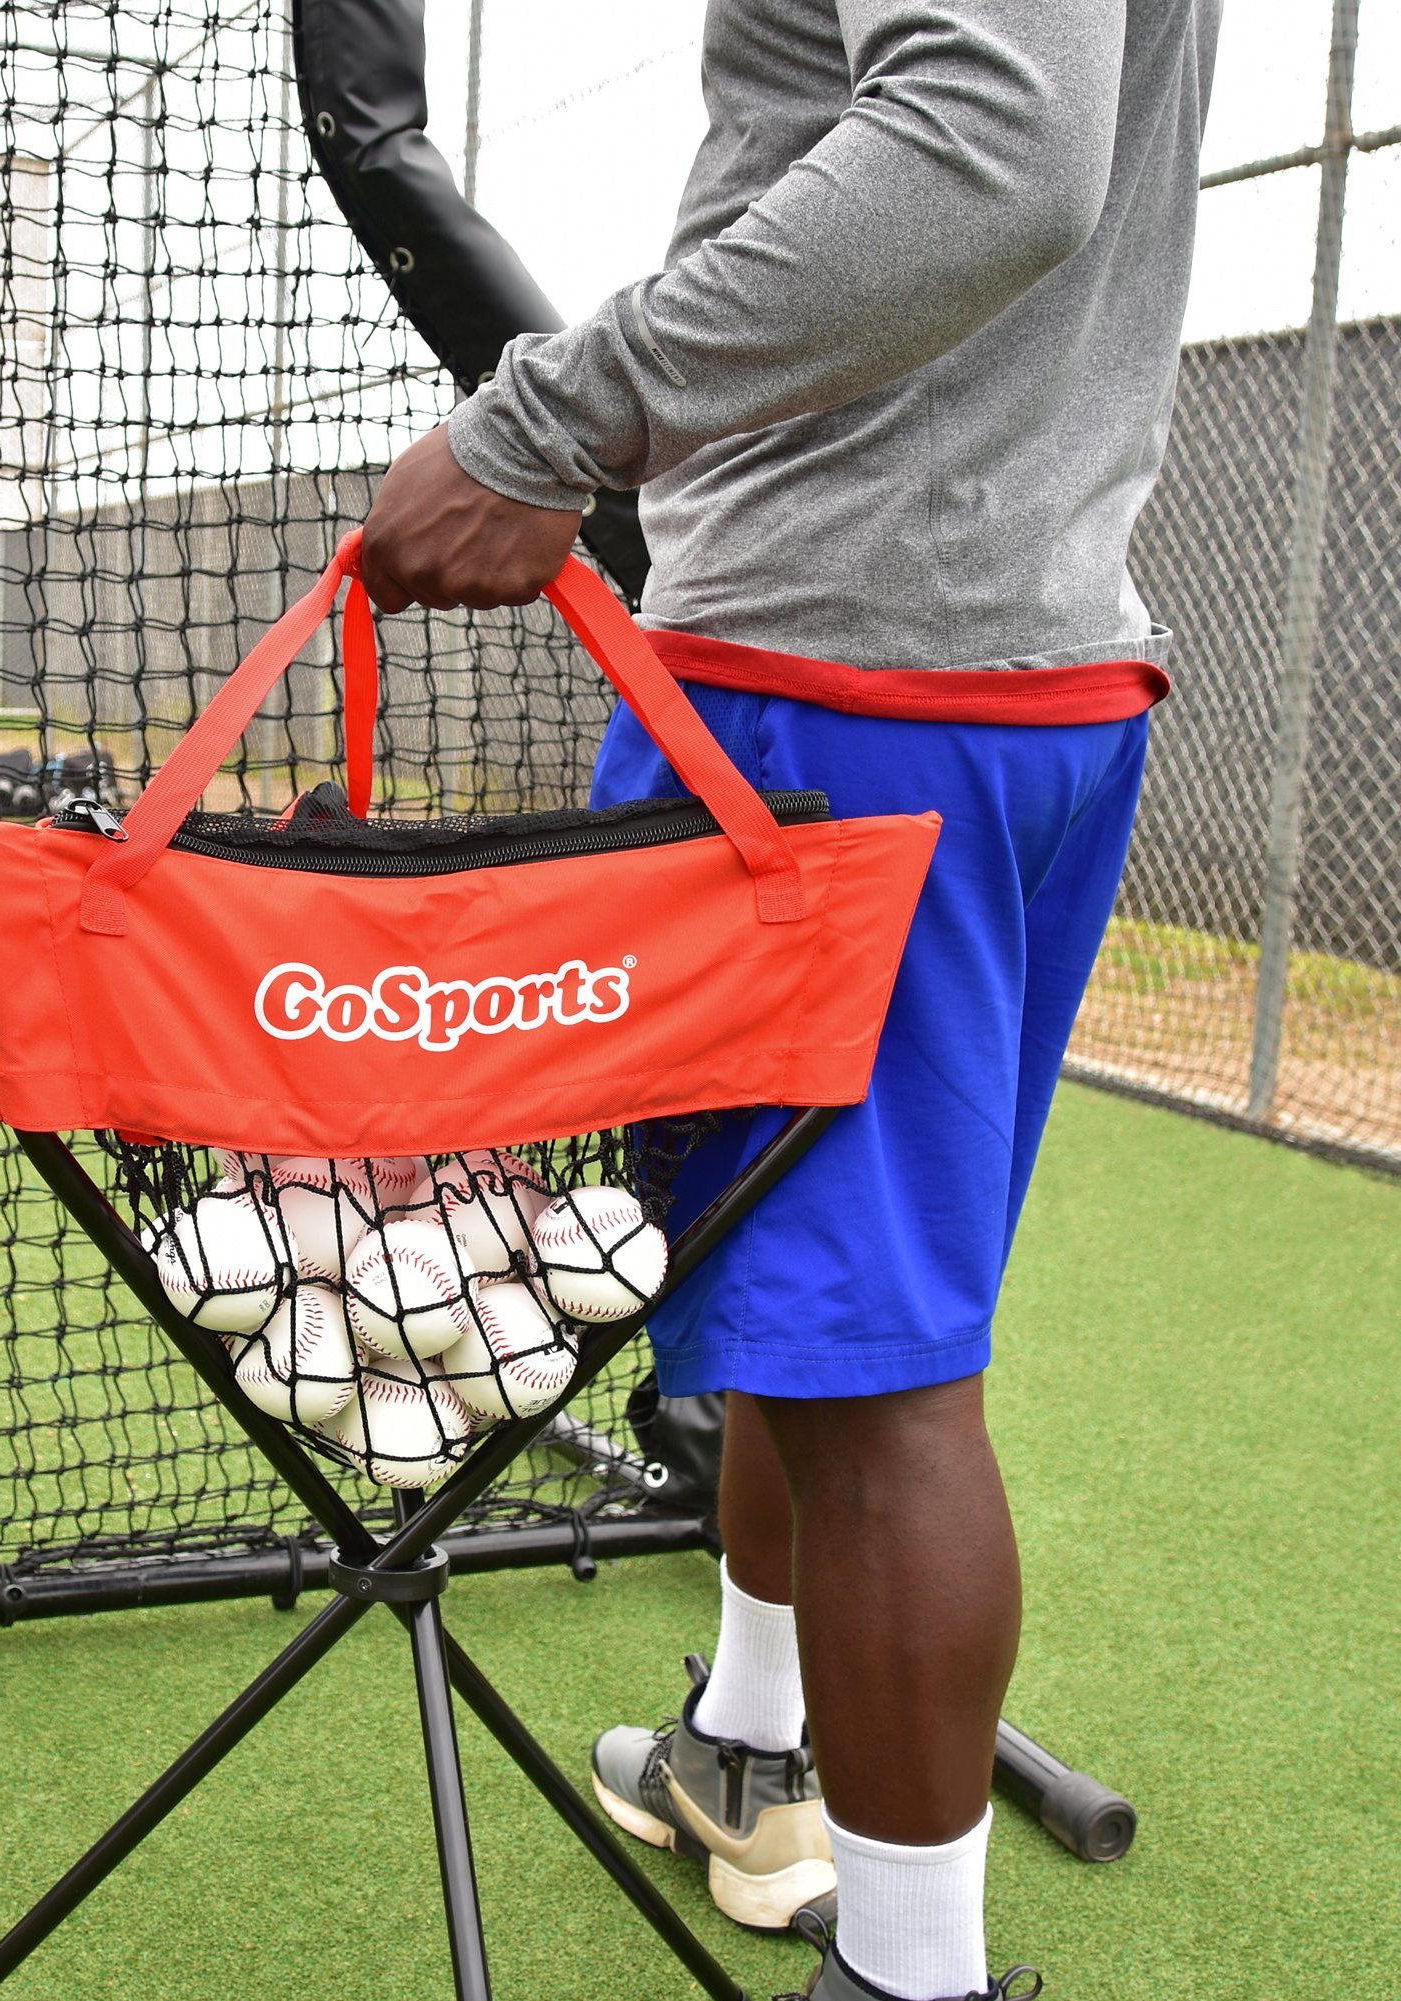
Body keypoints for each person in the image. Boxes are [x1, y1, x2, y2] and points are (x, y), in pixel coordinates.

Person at [359, 2, 1219, 1996]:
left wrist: (541, 423)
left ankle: (911, 1973)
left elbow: (993, 149)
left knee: (883, 1369)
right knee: (805, 1296)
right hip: (1007, 661)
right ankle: (747, 1748)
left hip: (844, 685)